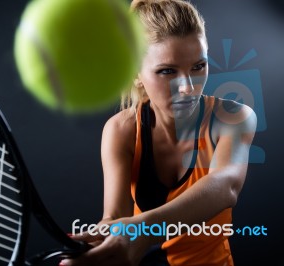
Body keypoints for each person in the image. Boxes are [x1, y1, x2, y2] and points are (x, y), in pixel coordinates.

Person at [60, 0, 257, 265]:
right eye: (167, 71)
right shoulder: (122, 131)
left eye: (198, 66)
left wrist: (140, 229)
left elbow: (226, 186)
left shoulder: (234, 117)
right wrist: (101, 240)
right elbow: (115, 217)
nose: (188, 87)